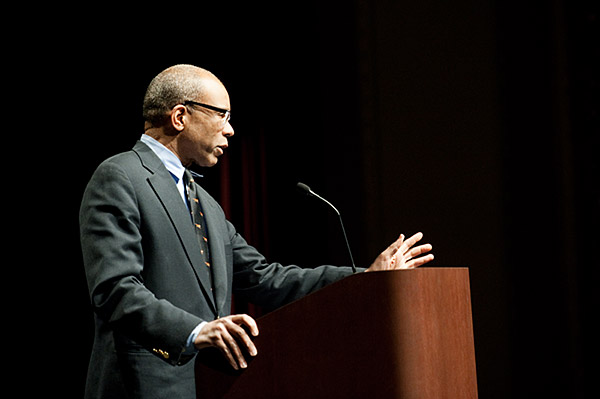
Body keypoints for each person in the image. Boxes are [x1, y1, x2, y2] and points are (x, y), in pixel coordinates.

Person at [79, 64, 434, 399]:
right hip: (141, 387)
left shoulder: (206, 204)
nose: (230, 129)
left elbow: (267, 278)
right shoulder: (121, 177)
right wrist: (197, 330)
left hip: (211, 386)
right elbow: (115, 289)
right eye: (222, 115)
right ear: (180, 116)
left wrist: (364, 278)